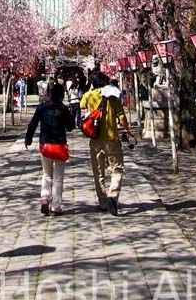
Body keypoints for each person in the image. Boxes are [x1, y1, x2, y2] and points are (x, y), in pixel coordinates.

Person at [79, 72, 132, 216]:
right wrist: (127, 131)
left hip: (95, 140)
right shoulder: (113, 98)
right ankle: (113, 195)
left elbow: (82, 107)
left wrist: (91, 91)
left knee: (98, 172)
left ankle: (102, 202)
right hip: (112, 139)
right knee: (117, 170)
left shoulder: (88, 96)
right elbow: (122, 117)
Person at [24, 83, 75, 215]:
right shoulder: (63, 109)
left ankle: (45, 197)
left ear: (49, 94)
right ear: (62, 95)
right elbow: (70, 127)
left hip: (45, 145)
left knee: (47, 174)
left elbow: (33, 124)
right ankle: (56, 206)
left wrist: (28, 139)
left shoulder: (42, 108)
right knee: (58, 177)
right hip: (59, 145)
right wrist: (71, 115)